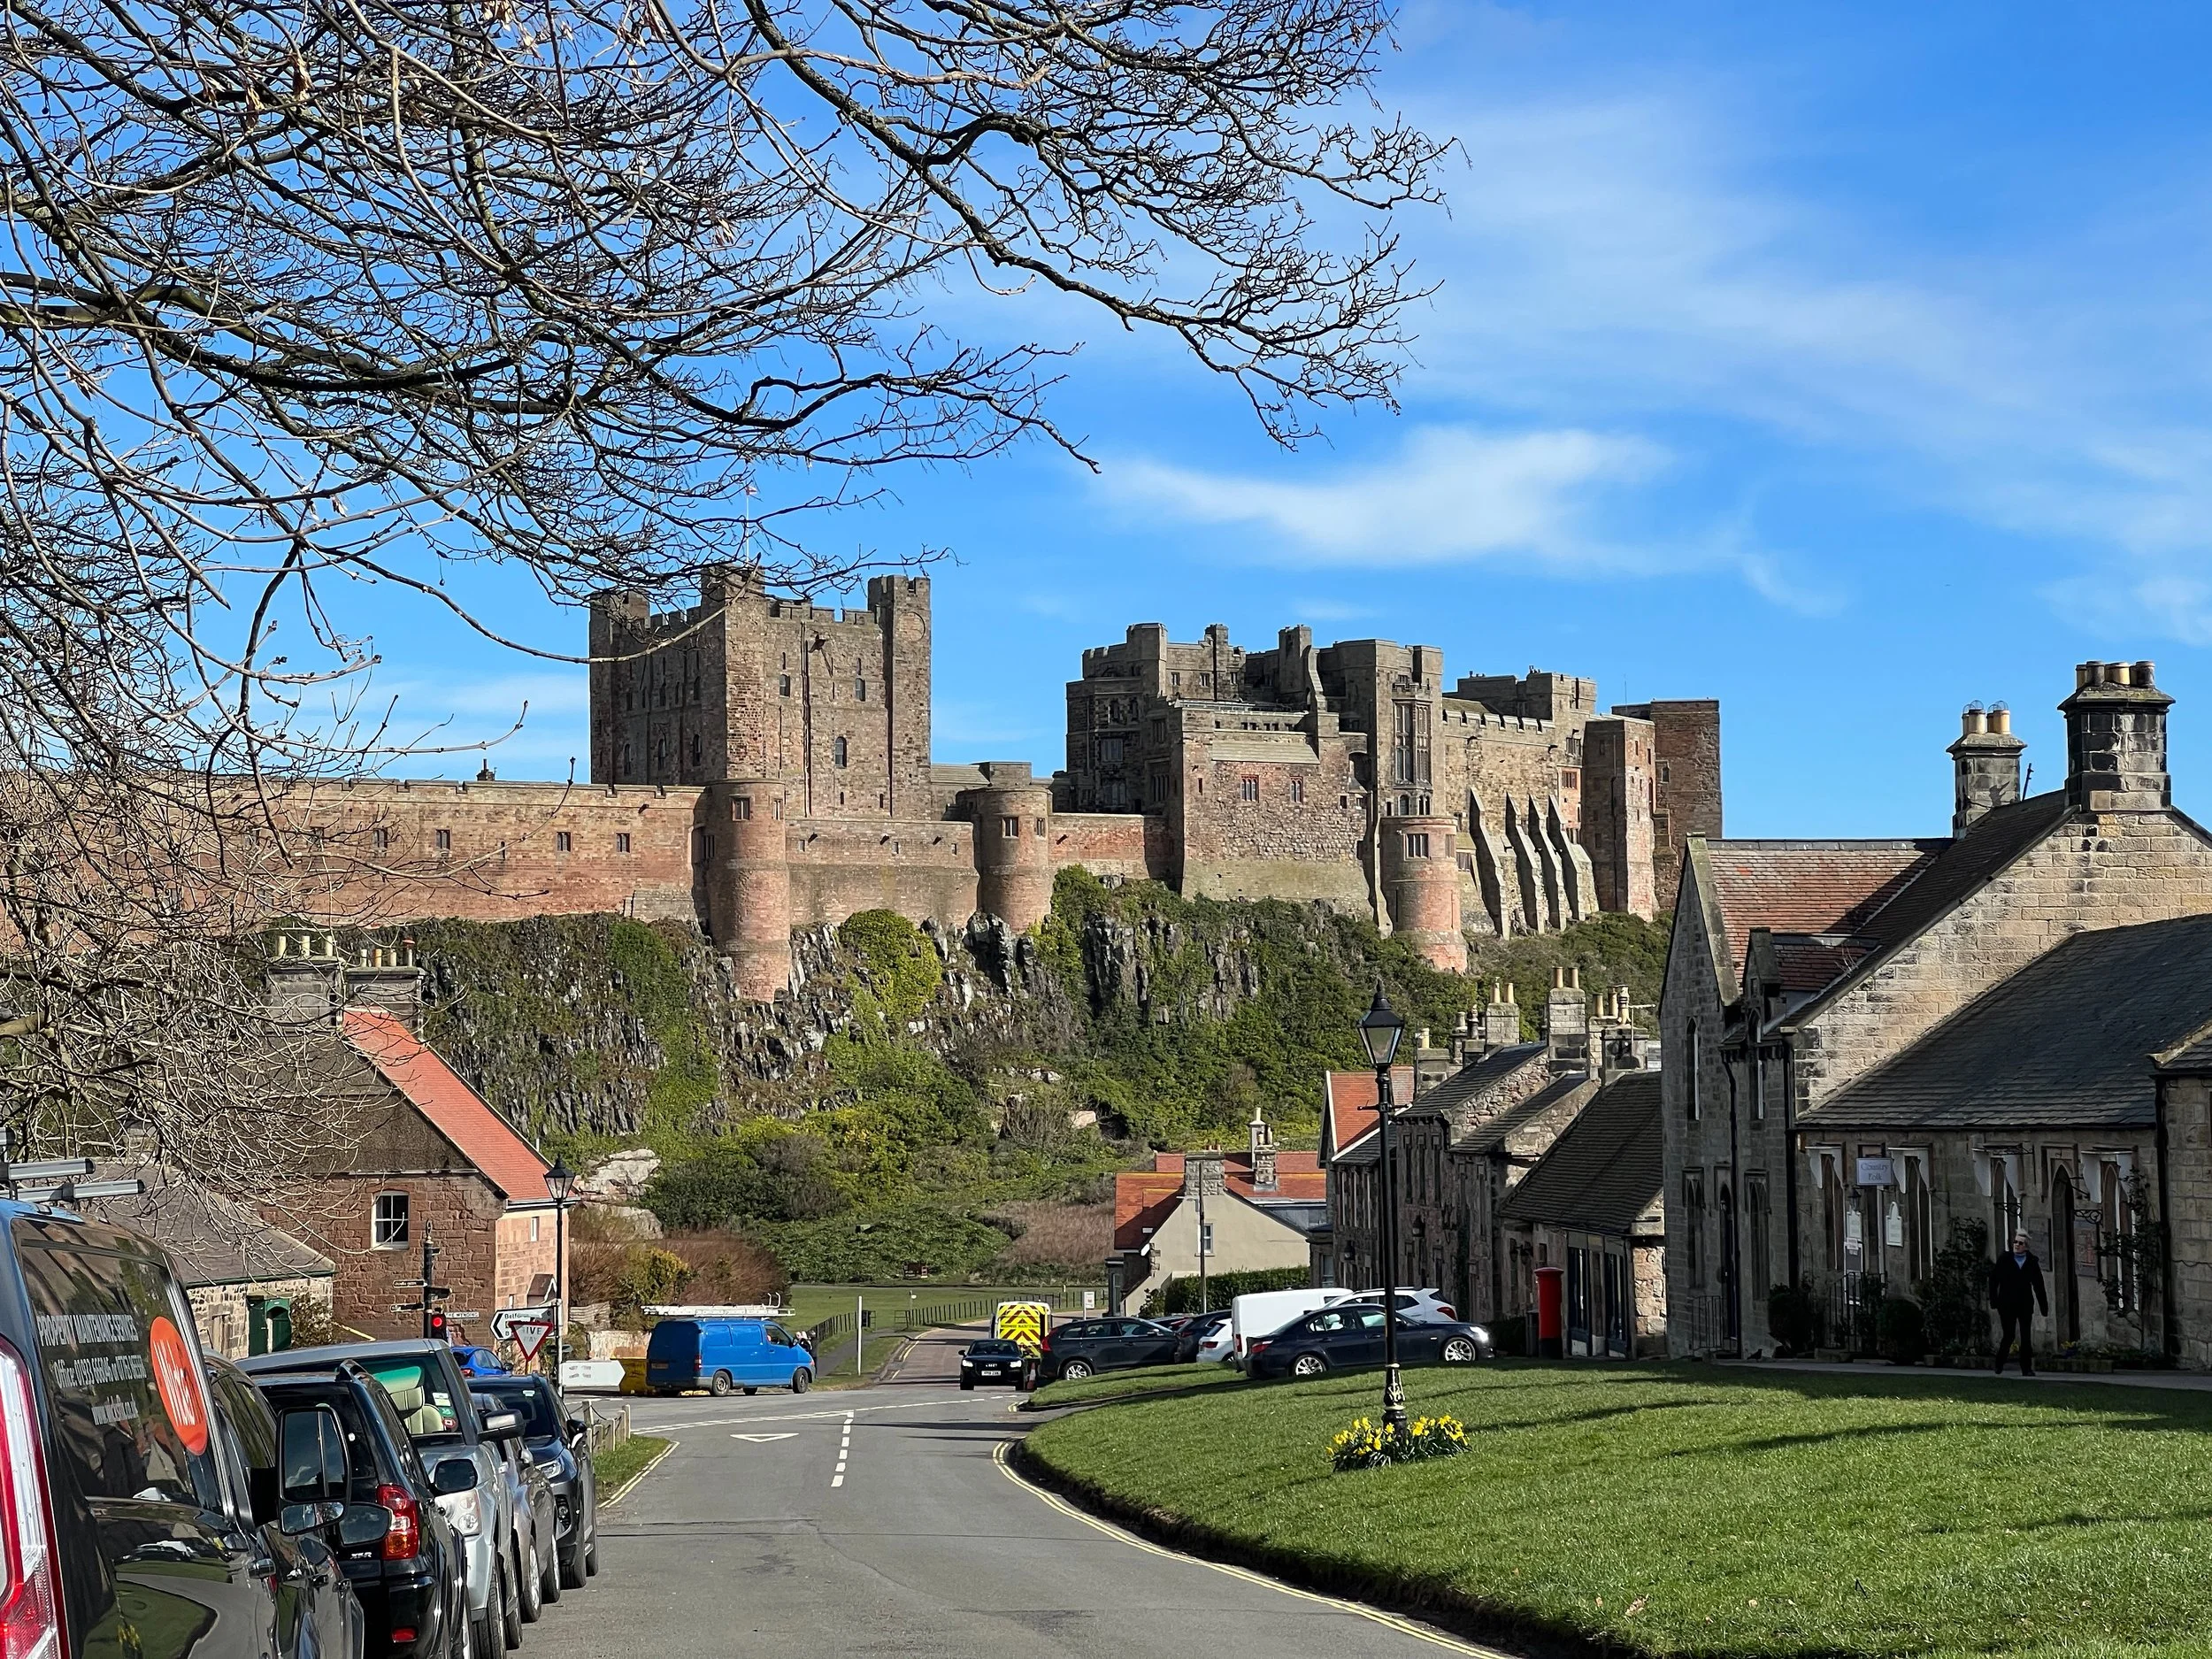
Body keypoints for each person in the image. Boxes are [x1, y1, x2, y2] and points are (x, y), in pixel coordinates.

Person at [1989, 1228, 2048, 1376]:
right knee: (2008, 1335)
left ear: (2026, 1246)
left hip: (2024, 1303)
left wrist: (2043, 1306)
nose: (2017, 1245)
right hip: (2006, 1303)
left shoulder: (2031, 1262)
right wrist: (1994, 1300)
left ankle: (2026, 1368)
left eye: (2020, 1243)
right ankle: (1999, 1363)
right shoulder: (2005, 1259)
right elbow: (1993, 1280)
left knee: (2026, 1336)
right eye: (2015, 1242)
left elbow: (2038, 1285)